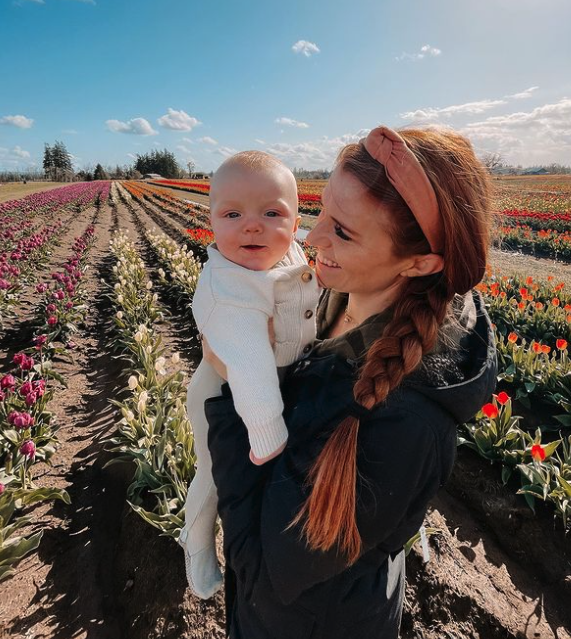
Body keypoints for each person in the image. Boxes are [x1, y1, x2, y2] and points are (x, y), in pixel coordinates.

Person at [202, 126, 497, 638]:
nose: (311, 239)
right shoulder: (329, 295)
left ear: (420, 262)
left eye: (343, 231)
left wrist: (231, 395)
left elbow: (264, 566)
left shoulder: (405, 426)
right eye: (320, 214)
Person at [178, 151, 320, 599]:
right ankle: (196, 541)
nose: (252, 225)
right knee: (215, 474)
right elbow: (249, 368)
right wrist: (268, 436)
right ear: (213, 223)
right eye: (233, 214)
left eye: (272, 213)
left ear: (296, 224)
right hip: (220, 395)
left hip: (275, 386)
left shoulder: (289, 255)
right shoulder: (228, 285)